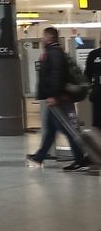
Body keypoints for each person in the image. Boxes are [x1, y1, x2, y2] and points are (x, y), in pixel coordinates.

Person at [28, 26, 89, 170]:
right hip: (58, 97)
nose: (42, 39)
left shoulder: (54, 53)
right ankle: (39, 157)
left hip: (59, 99)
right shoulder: (54, 52)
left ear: (49, 38)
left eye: (44, 37)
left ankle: (81, 159)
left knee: (68, 129)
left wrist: (53, 95)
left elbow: (57, 75)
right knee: (50, 129)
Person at [85, 42, 101, 132]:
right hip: (98, 94)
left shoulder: (93, 54)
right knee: (98, 123)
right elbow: (88, 74)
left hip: (97, 92)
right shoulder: (94, 55)